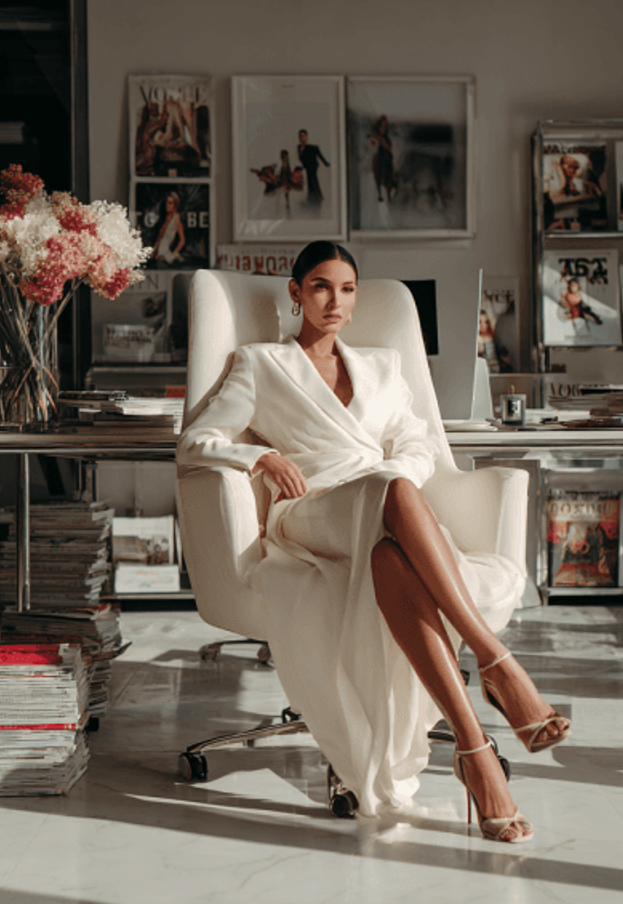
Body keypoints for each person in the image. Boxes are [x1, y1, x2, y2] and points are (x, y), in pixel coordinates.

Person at [177, 242, 569, 843]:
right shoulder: (260, 364)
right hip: (309, 513)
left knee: (391, 550)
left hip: (388, 505)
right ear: (296, 293)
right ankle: (495, 662)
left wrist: (395, 480)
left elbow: (418, 446)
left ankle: (473, 749)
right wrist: (261, 455)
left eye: (348, 289)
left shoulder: (384, 367)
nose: (336, 301)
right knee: (389, 489)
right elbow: (196, 441)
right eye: (320, 287)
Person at [297, 129, 330, 208]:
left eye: (303, 136)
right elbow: (302, 158)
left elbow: (319, 154)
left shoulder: (311, 147)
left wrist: (326, 163)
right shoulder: (299, 147)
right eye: (301, 136)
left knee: (312, 181)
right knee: (311, 181)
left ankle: (313, 199)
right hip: (307, 167)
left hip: (313, 166)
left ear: (306, 137)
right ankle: (316, 197)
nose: (302, 137)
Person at [367, 116, 397, 202]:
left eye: (385, 126)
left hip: (386, 160)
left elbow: (388, 147)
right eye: (381, 126)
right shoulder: (375, 136)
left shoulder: (386, 138)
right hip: (379, 159)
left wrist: (380, 139)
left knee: (388, 176)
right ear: (378, 127)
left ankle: (388, 194)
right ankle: (380, 193)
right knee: (378, 176)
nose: (383, 128)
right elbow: (372, 145)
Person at [152, 192, 185, 268]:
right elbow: (160, 239)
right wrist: (154, 252)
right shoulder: (166, 218)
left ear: (175, 205)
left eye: (170, 203)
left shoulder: (176, 218)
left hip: (166, 258)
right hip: (159, 257)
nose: (167, 205)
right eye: (167, 202)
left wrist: (173, 255)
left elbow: (182, 240)